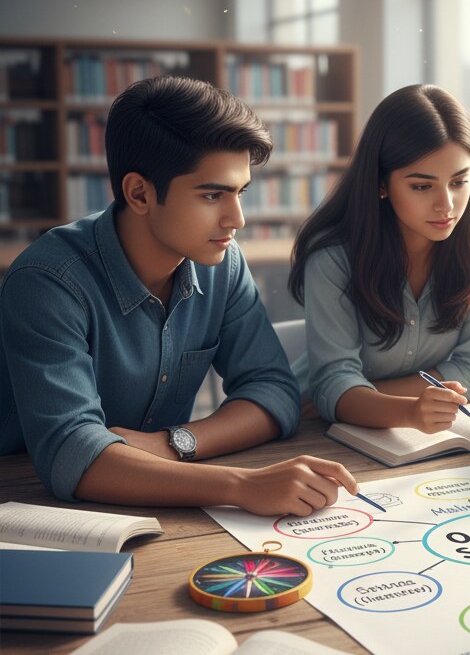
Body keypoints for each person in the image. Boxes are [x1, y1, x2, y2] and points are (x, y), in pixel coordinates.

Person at [0, 76, 359, 517]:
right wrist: (242, 485)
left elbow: (274, 393)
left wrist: (173, 443)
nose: (238, 219)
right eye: (213, 195)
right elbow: (72, 455)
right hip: (32, 507)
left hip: (165, 495)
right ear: (139, 193)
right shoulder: (48, 281)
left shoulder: (223, 265)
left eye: (240, 192)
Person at [288, 84, 470, 433]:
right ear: (381, 183)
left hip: (396, 424)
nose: (446, 205)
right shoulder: (333, 253)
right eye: (422, 186)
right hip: (310, 428)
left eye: (458, 181)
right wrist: (405, 410)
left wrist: (363, 398)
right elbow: (332, 386)